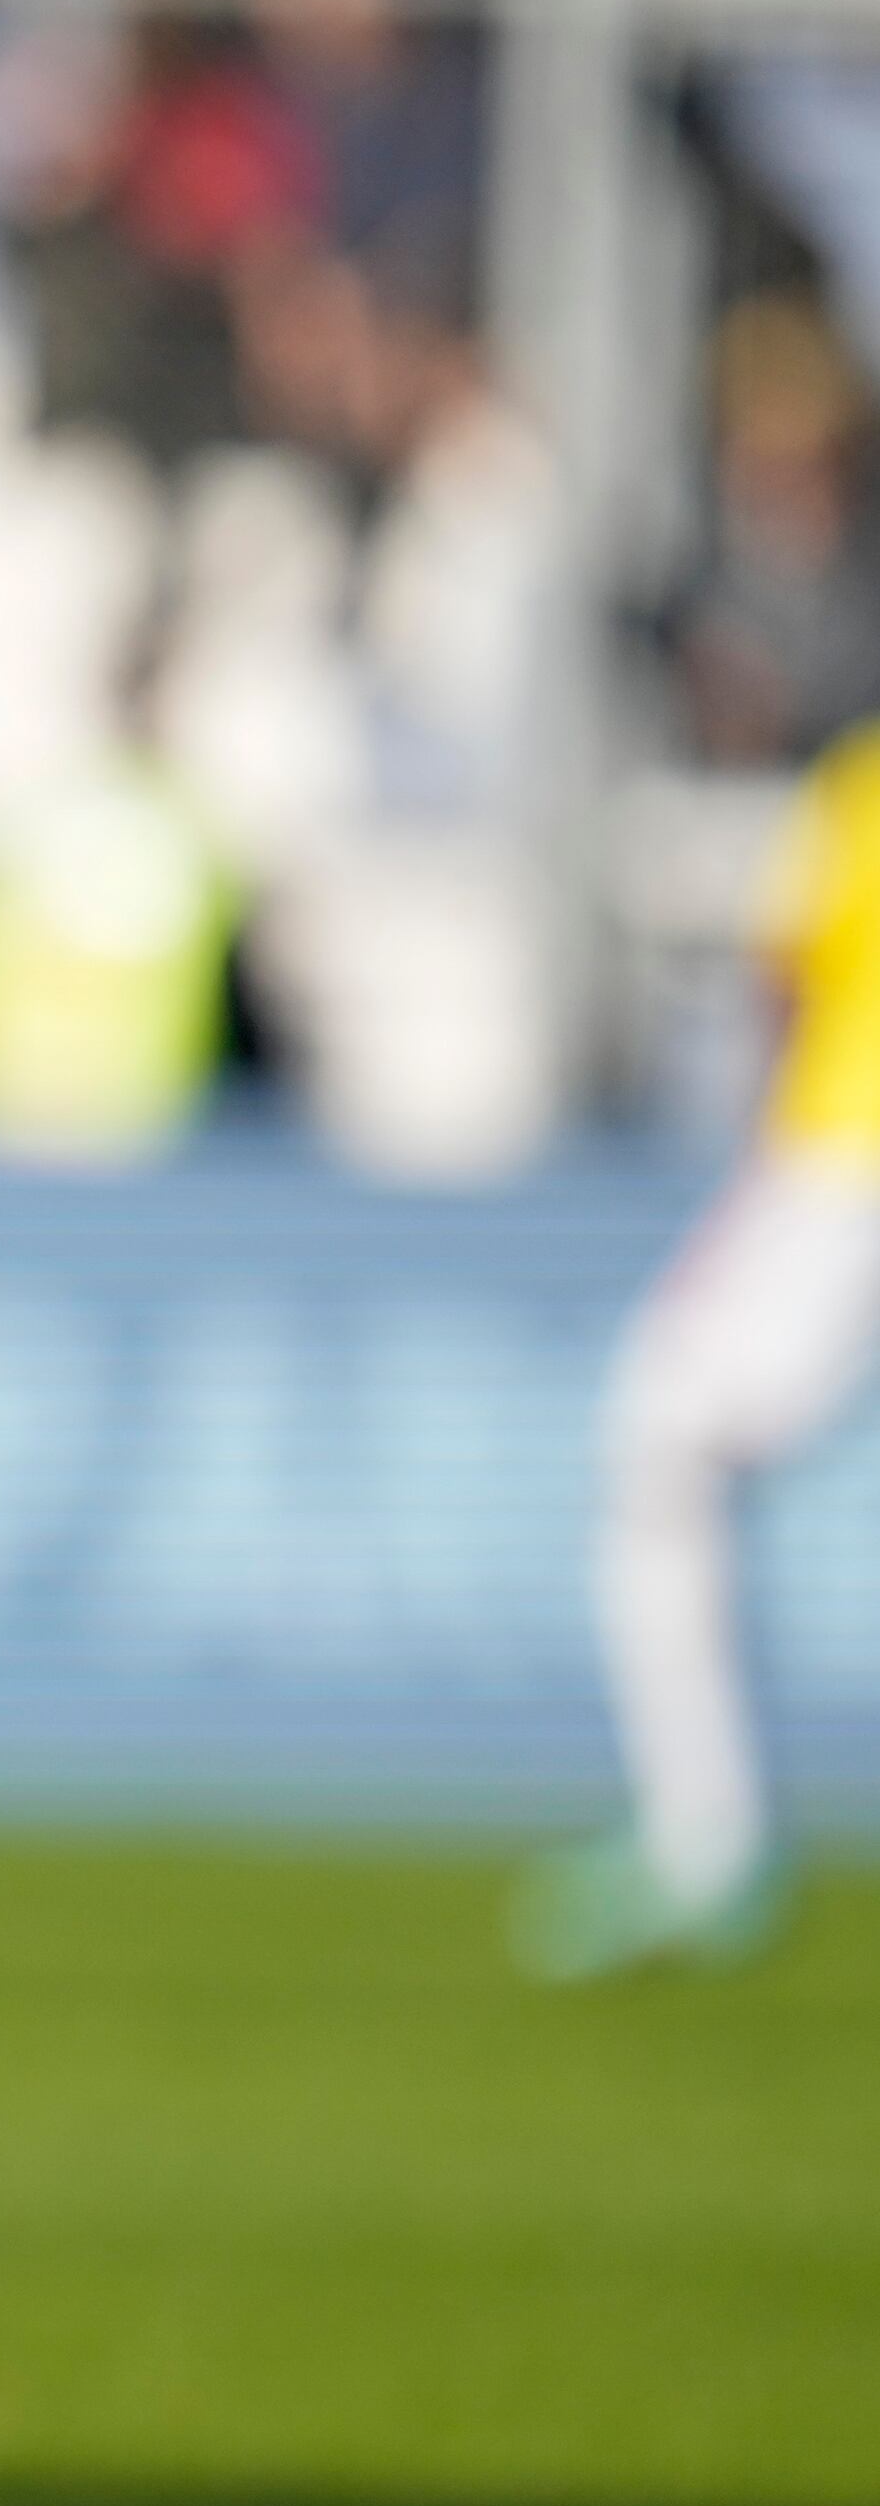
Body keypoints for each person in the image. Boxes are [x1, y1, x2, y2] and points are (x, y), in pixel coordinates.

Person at [517, 720, 880, 1978]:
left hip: (843, 1164)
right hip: (828, 1170)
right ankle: (700, 1835)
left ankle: (702, 1839)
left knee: (660, 1436)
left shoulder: (857, 784)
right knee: (668, 1443)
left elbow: (781, 988)